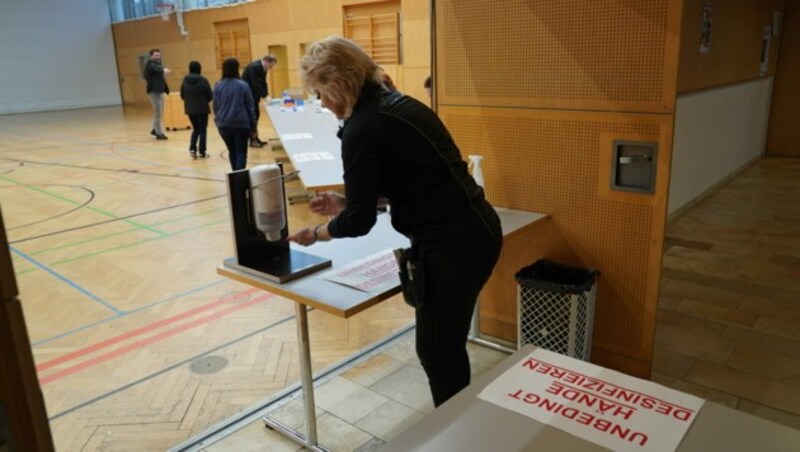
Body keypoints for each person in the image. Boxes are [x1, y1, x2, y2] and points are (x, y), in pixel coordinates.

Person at [287, 36, 502, 407]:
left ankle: (457, 433)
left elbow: (359, 222)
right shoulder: (397, 106)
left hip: (451, 246)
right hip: (477, 231)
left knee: (438, 351)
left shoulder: (362, 128)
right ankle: (459, 424)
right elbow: (414, 181)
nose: (321, 103)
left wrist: (317, 233)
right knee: (444, 346)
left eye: (320, 93)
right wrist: (346, 201)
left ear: (337, 81)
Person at [213, 58, 255, 171]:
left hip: (223, 124)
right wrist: (253, 126)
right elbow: (250, 107)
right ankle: (239, 179)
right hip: (241, 124)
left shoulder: (218, 85)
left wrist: (217, 120)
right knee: (241, 152)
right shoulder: (243, 85)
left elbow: (215, 106)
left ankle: (235, 177)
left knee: (232, 151)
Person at [241, 54, 278, 148]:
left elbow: (263, 82)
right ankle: (252, 140)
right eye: (271, 65)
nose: (271, 68)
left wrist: (267, 94)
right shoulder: (255, 67)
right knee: (252, 118)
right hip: (248, 95)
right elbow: (255, 83)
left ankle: (255, 138)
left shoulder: (263, 68)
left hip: (254, 95)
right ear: (266, 61)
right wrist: (264, 95)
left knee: (256, 116)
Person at [180, 61, 213, 159]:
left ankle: (192, 149)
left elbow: (182, 95)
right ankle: (202, 152)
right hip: (202, 109)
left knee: (196, 129)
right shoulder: (203, 80)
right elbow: (210, 95)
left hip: (190, 109)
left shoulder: (185, 80)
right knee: (202, 130)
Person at [143, 48, 171, 140]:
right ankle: (159, 133)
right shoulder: (150, 64)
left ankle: (155, 129)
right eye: (156, 55)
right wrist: (163, 69)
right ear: (151, 56)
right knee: (158, 113)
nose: (158, 57)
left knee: (159, 112)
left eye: (159, 55)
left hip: (159, 91)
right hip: (154, 92)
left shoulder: (156, 64)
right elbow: (156, 69)